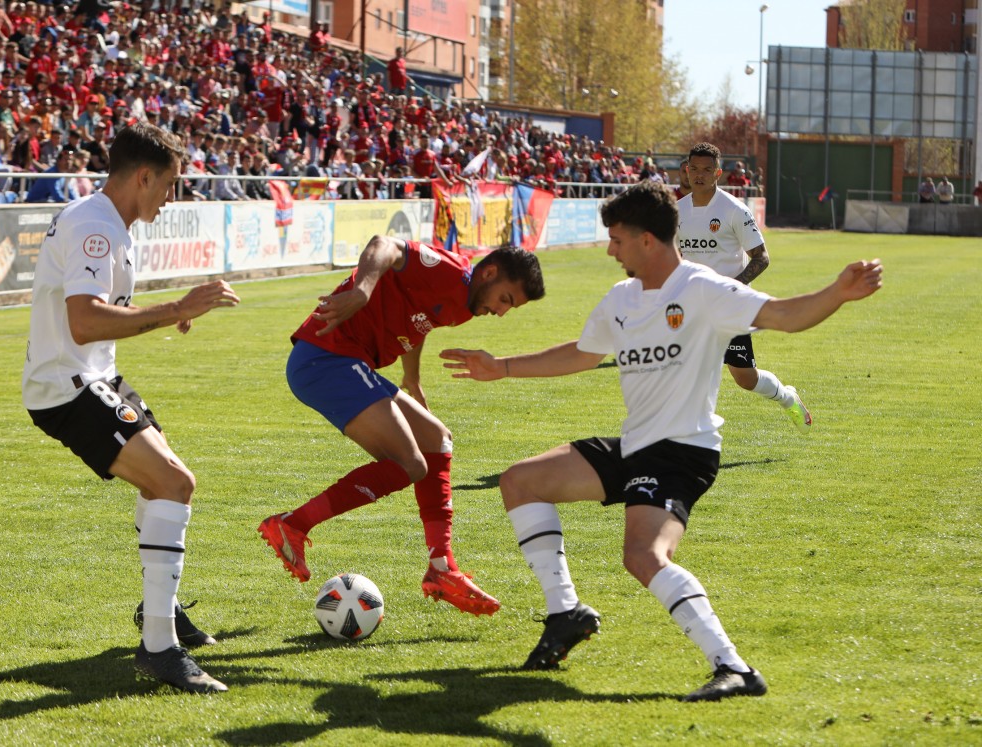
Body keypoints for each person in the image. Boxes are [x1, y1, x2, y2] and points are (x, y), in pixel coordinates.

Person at [440, 180, 883, 700]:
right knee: (520, 482)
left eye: (617, 240)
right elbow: (583, 353)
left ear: (647, 239)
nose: (610, 250)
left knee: (644, 555)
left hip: (682, 451)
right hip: (636, 446)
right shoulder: (622, 298)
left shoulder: (702, 289)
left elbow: (783, 315)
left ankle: (734, 667)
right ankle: (565, 614)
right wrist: (504, 368)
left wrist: (838, 292)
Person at [21, 123, 240, 694]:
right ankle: (160, 648)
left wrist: (170, 311)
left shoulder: (106, 220)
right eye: (169, 185)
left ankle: (157, 615)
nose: (172, 198)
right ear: (143, 176)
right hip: (67, 386)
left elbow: (101, 310)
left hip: (95, 376)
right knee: (174, 482)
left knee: (162, 480)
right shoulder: (96, 226)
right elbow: (85, 319)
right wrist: (173, 309)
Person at [258, 237, 546, 616]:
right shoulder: (450, 271)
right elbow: (386, 245)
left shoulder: (465, 306)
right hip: (326, 358)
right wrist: (362, 289)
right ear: (489, 273)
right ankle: (293, 524)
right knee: (410, 464)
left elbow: (418, 323)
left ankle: (442, 568)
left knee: (436, 439)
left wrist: (412, 379)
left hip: (347, 362)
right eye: (506, 299)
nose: (502, 312)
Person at [678, 143, 811, 432]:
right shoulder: (677, 212)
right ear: (686, 170)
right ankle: (685, 436)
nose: (699, 175)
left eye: (707, 169)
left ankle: (787, 397)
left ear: (718, 173)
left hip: (729, 306)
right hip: (693, 306)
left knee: (745, 379)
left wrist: (730, 289)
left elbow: (762, 258)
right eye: (694, 169)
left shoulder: (733, 210)